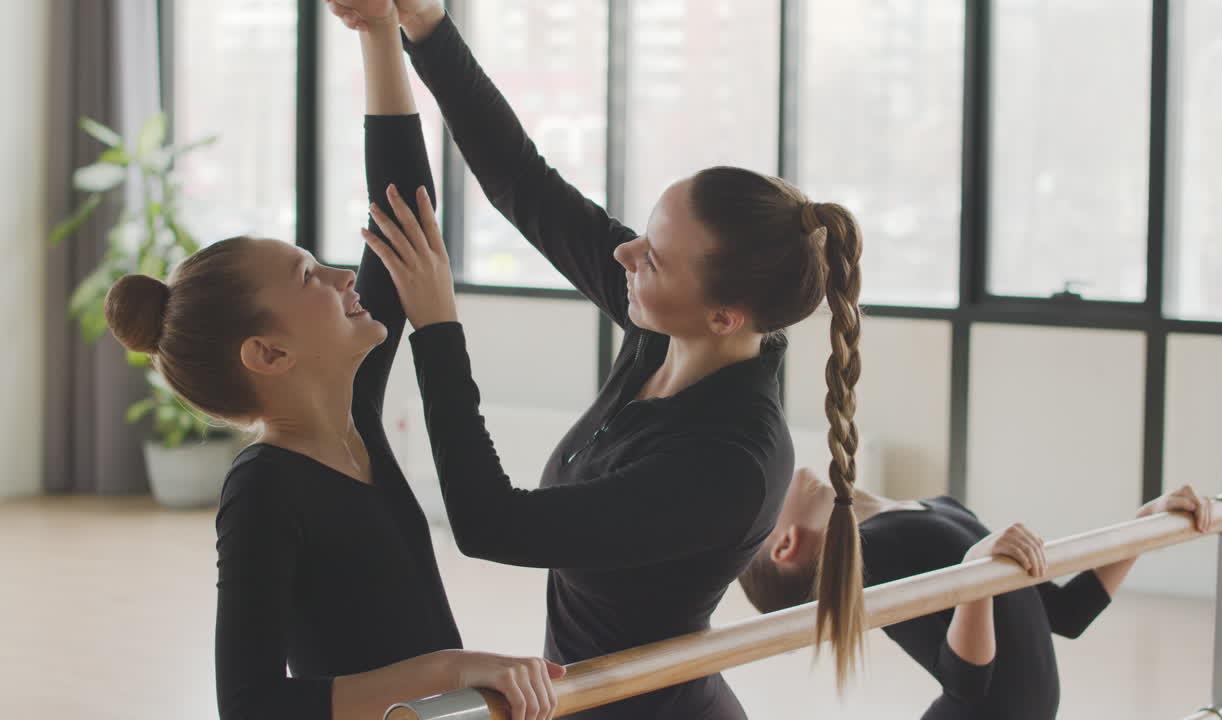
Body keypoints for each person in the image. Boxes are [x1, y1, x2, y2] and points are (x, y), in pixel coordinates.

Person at [327, 0, 872, 716]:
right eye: (644, 231)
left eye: (653, 256)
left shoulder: (727, 464)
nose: (624, 255)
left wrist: (437, 326)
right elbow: (525, 184)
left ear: (726, 315)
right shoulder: (668, 326)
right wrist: (425, 24)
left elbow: (491, 525)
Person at [103, 7, 560, 720]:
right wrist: (446, 669)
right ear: (269, 353)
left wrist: (379, 31)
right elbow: (252, 704)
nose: (345, 277)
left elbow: (400, 210)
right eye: (308, 276)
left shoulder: (356, 419)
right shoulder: (262, 492)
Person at [738, 467, 1214, 719]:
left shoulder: (924, 509)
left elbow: (1066, 612)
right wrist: (974, 579)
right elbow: (966, 683)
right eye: (762, 506)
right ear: (787, 544)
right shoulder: (869, 552)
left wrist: (1143, 526)